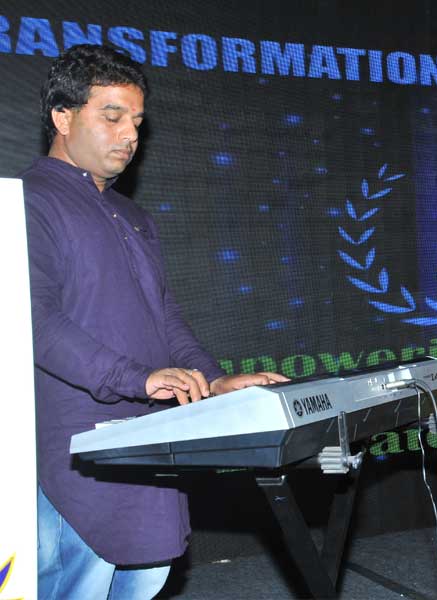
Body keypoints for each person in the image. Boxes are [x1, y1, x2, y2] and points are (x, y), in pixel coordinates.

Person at [24, 44, 290, 599]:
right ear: (62, 117)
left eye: (137, 122)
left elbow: (164, 318)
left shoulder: (133, 215)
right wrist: (137, 378)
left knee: (146, 574)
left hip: (145, 439)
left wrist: (214, 382)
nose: (129, 135)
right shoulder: (26, 202)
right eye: (112, 116)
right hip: (73, 449)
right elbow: (35, 323)